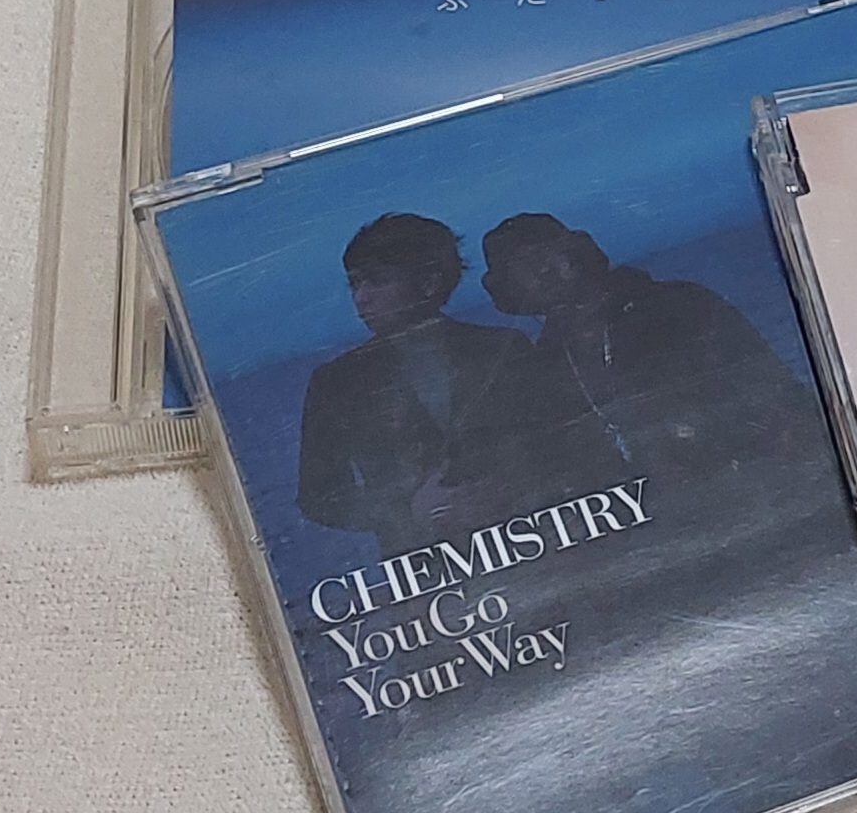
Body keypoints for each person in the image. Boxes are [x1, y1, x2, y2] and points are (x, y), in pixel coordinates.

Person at [479, 213, 818, 497]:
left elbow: (777, 398)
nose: (543, 271)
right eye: (522, 266)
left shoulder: (679, 305)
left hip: (752, 492)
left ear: (578, 253)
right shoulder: (542, 369)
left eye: (547, 255)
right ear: (510, 288)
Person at [297, 213, 534, 556]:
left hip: (527, 541)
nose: (361, 298)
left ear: (428, 282)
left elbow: (557, 440)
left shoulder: (505, 348)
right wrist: (408, 508)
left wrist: (508, 489)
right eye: (355, 284)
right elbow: (318, 497)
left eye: (377, 281)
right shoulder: (335, 382)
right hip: (421, 565)